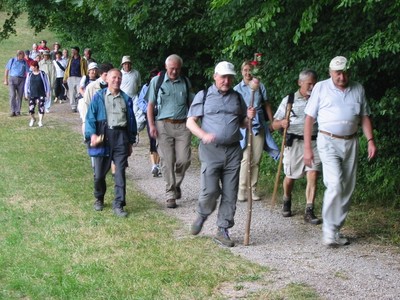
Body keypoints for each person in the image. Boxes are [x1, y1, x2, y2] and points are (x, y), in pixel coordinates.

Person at [304, 56, 377, 246]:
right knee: (335, 184)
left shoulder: (358, 88)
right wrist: (306, 149)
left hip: (351, 142)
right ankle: (328, 231)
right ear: (330, 72)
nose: (342, 76)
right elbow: (309, 119)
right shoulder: (320, 87)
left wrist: (370, 140)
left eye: (345, 72)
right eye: (338, 73)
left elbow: (365, 117)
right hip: (327, 140)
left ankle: (336, 229)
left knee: (346, 189)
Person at [187, 61, 256, 247]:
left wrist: (248, 119)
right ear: (215, 76)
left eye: (229, 77)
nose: (226, 81)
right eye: (223, 77)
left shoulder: (237, 97)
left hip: (233, 150)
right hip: (211, 150)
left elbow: (242, 122)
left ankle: (223, 229)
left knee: (230, 193)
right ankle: (202, 215)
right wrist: (203, 135)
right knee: (210, 191)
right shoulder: (204, 95)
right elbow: (190, 122)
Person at [85, 68, 137, 217]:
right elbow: (90, 117)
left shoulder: (126, 99)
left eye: (119, 78)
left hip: (121, 137)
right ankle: (99, 198)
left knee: (120, 172)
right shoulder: (99, 97)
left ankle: (119, 204)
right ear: (107, 79)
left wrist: (130, 142)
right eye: (114, 77)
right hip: (104, 136)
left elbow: (131, 121)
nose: (117, 80)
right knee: (99, 174)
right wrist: (92, 134)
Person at [272, 69, 321, 224]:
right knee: (290, 177)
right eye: (309, 84)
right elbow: (273, 124)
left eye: (314, 83)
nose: (312, 87)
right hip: (294, 143)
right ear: (300, 83)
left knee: (313, 174)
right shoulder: (290, 100)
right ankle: (286, 199)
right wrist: (281, 123)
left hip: (314, 142)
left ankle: (309, 210)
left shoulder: (319, 99)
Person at [146, 54, 193, 209]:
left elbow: (193, 104)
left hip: (183, 126)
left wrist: (194, 119)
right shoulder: (156, 82)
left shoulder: (185, 82)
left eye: (177, 69)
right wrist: (151, 125)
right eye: (172, 68)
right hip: (163, 125)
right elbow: (150, 105)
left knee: (184, 160)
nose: (174, 72)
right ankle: (170, 194)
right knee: (167, 160)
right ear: (166, 67)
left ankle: (176, 184)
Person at [234, 60, 274, 201]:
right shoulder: (237, 89)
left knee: (256, 159)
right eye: (245, 70)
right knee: (246, 158)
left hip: (259, 125)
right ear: (241, 72)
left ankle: (253, 189)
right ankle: (242, 189)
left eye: (250, 69)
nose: (247, 72)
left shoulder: (260, 86)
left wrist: (272, 121)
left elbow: (267, 104)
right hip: (244, 125)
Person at [137, 67, 161, 177]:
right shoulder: (145, 88)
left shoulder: (162, 88)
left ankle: (158, 164)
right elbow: (140, 101)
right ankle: (154, 165)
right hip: (150, 117)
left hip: (161, 117)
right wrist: (148, 109)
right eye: (152, 77)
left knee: (160, 141)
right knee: (152, 140)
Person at [24, 60, 51, 127]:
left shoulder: (42, 73)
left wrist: (47, 92)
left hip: (41, 93)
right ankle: (33, 119)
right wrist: (26, 93)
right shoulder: (29, 74)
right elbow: (26, 84)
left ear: (36, 67)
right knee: (31, 109)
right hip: (32, 93)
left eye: (32, 66)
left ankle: (40, 121)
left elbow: (47, 83)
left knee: (41, 107)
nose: (31, 68)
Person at [3, 50, 30, 116]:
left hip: (21, 80)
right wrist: (5, 80)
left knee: (19, 96)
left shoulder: (24, 62)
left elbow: (28, 72)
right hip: (12, 79)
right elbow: (6, 70)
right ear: (19, 55)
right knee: (12, 95)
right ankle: (13, 111)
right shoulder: (12, 60)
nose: (24, 56)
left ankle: (18, 111)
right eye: (23, 55)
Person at [63, 46, 88, 113]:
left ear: (77, 51)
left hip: (79, 78)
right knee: (71, 93)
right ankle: (73, 106)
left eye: (73, 50)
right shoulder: (70, 59)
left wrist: (86, 77)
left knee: (79, 92)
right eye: (71, 51)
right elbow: (67, 69)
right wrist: (65, 77)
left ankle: (79, 105)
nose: (72, 52)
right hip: (70, 77)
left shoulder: (82, 60)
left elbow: (85, 69)